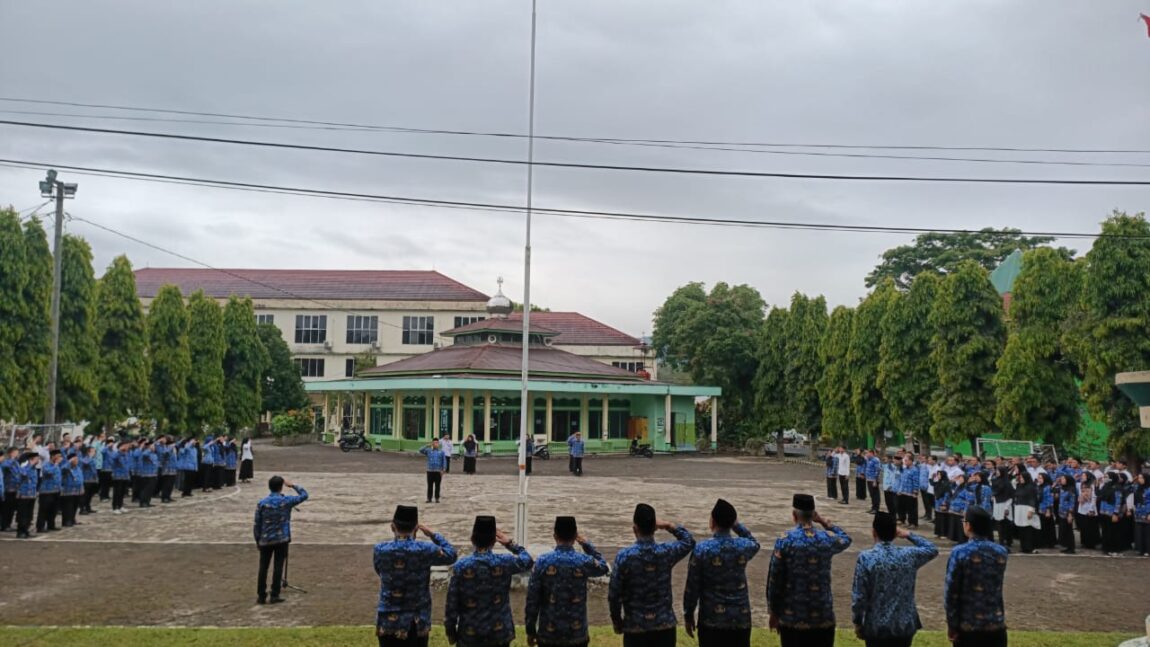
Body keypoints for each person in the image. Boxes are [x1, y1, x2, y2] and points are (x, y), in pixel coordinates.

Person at [766, 494, 852, 647]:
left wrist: (773, 611)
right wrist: (825, 522)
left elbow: (775, 579)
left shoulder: (785, 540)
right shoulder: (825, 539)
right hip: (822, 615)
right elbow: (846, 539)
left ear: (794, 515)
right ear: (813, 515)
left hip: (792, 616)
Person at [608, 503, 695, 647]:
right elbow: (688, 541)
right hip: (664, 626)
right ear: (655, 527)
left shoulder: (624, 556)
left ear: (634, 529)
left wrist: (617, 622)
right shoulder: (666, 552)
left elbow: (614, 595)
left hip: (635, 628)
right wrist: (668, 525)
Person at [373, 505, 458, 647]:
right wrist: (433, 535)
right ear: (416, 529)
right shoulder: (425, 549)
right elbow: (451, 555)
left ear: (392, 527)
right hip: (417, 620)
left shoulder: (380, 549)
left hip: (388, 618)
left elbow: (379, 570)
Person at [851, 512, 938, 647]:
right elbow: (932, 549)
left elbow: (859, 597)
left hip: (877, 626)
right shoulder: (909, 555)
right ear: (895, 533)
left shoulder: (866, 558)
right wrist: (909, 535)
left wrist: (857, 622)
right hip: (904, 625)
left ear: (874, 532)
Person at [444, 516, 534, 647]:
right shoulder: (505, 561)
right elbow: (528, 561)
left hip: (470, 633)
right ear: (494, 540)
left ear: (472, 539)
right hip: (499, 633)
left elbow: (452, 603)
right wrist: (510, 544)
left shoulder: (461, 566)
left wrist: (450, 631)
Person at [683, 499, 759, 647]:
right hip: (740, 618)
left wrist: (688, 614)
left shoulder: (702, 550)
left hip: (711, 620)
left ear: (713, 521)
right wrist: (736, 525)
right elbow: (754, 542)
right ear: (731, 523)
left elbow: (692, 587)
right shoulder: (743, 546)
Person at [525, 516, 609, 647]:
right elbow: (603, 567)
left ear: (554, 535)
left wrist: (530, 630)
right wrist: (587, 545)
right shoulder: (584, 561)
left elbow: (532, 600)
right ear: (575, 536)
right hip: (577, 634)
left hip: (549, 634)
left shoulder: (542, 562)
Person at [944, 506, 1009, 647]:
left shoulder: (960, 552)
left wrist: (952, 625)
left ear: (968, 525)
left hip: (969, 627)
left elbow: (951, 593)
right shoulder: (1001, 552)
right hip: (996, 624)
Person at [253, 476, 309, 604]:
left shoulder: (262, 503)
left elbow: (257, 524)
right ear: (281, 487)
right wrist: (293, 485)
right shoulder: (286, 501)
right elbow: (304, 495)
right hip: (281, 539)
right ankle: (274, 594)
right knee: (278, 566)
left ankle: (261, 595)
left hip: (265, 540)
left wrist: (257, 540)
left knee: (263, 567)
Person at [1012, 468, 1040, 554]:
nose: (1020, 479)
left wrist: (1031, 510)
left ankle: (1030, 547)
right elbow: (1013, 484)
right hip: (1019, 508)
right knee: (1021, 528)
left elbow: (1033, 499)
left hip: (1027, 509)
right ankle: (1023, 546)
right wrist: (1016, 478)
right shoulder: (1019, 486)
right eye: (1020, 478)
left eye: (1022, 478)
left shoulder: (1031, 487)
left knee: (1028, 528)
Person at [14, 452, 40, 538]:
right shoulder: (24, 466)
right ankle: (20, 531)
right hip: (23, 494)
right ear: (31, 459)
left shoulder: (34, 469)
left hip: (31, 494)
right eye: (36, 458)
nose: (38, 460)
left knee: (29, 514)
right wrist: (30, 465)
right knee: (22, 514)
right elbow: (23, 474)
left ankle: (26, 530)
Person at [59, 453, 84, 527]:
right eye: (75, 459)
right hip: (68, 490)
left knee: (75, 506)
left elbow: (80, 477)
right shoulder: (66, 467)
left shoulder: (78, 467)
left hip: (77, 490)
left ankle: (72, 519)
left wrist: (82, 487)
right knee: (68, 506)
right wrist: (69, 462)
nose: (77, 461)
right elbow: (63, 469)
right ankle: (67, 521)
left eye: (77, 459)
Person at [1055, 473, 1077, 554]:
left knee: (1069, 531)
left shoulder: (1071, 490)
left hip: (1067, 513)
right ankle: (1067, 546)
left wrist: (1070, 514)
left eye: (1063, 479)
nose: (1062, 480)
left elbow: (1072, 503)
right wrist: (1056, 483)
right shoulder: (1062, 488)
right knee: (1064, 530)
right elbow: (1053, 489)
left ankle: (1071, 548)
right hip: (1061, 513)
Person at [896, 455, 919, 528]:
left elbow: (916, 481)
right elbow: (901, 480)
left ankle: (913, 523)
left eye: (906, 460)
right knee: (901, 507)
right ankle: (902, 519)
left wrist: (915, 492)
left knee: (911, 509)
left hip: (910, 492)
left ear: (911, 461)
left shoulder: (915, 470)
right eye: (904, 460)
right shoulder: (904, 469)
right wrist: (899, 489)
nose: (904, 462)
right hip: (903, 491)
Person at [419, 439, 446, 503]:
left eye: (436, 443)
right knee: (430, 485)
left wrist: (443, 469)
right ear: (432, 444)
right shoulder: (429, 451)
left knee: (437, 485)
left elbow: (444, 461)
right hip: (430, 471)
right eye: (434, 443)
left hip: (438, 471)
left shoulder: (441, 452)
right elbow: (420, 450)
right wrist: (427, 445)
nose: (435, 444)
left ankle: (437, 498)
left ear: (438, 444)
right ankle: (429, 498)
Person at [110, 441, 132, 514]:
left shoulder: (127, 454)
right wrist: (120, 450)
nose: (127, 447)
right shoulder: (116, 453)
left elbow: (128, 463)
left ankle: (120, 506)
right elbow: (113, 458)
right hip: (117, 475)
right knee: (117, 492)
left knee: (123, 492)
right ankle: (114, 507)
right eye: (125, 446)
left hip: (125, 475)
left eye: (127, 446)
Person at [1, 447, 20, 531]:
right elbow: (5, 466)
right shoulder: (6, 462)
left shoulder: (16, 462)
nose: (17, 454)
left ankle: (8, 524)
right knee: (6, 509)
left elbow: (19, 472)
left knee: (12, 509)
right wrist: (12, 459)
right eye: (15, 452)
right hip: (7, 488)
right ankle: (4, 525)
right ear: (11, 453)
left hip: (15, 488)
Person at [138, 439, 159, 508]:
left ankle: (147, 502)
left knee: (150, 489)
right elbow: (144, 454)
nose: (154, 447)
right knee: (145, 489)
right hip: (146, 474)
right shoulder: (145, 452)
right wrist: (149, 449)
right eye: (153, 446)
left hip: (153, 474)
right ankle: (143, 502)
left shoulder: (154, 454)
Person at [1133, 472, 1150, 557]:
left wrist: (1149, 513)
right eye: (1139, 478)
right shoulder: (1137, 488)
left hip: (1147, 512)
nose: (1139, 480)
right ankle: (1141, 549)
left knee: (1147, 532)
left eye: (1141, 478)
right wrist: (1133, 481)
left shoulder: (1149, 489)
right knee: (1139, 532)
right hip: (1138, 512)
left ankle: (1148, 550)